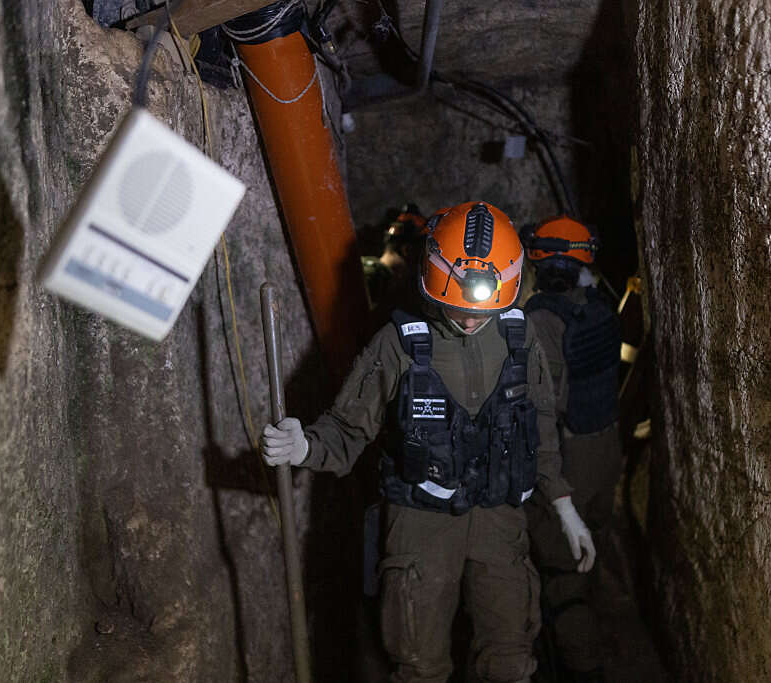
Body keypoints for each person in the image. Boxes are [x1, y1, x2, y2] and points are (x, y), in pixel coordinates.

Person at [262, 202, 596, 683]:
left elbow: (538, 425)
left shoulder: (520, 339)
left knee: (510, 655)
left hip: (499, 518)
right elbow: (348, 428)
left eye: (480, 311)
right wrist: (304, 447)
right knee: (418, 662)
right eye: (457, 309)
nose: (467, 321)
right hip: (420, 522)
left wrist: (563, 504)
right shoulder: (398, 344)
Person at [520, 216, 623, 683]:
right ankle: (604, 638)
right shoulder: (600, 305)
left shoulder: (543, 318)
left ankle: (586, 667)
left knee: (563, 570)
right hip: (606, 446)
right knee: (593, 546)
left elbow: (541, 404)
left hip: (570, 453)